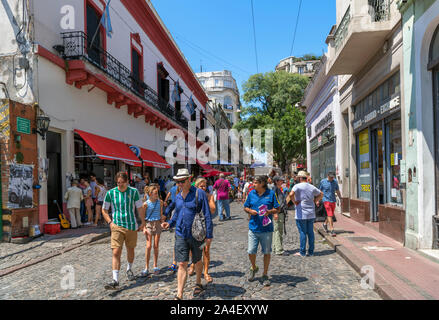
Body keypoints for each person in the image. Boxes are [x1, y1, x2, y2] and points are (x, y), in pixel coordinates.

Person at [161, 169, 214, 300]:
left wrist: (209, 235)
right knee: (182, 263)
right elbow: (177, 214)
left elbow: (207, 215)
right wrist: (170, 223)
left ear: (189, 180)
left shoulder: (199, 193)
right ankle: (179, 294)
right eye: (177, 182)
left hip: (197, 234)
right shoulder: (178, 196)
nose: (179, 184)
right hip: (181, 234)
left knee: (197, 260)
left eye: (182, 181)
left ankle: (198, 283)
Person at [102, 172, 146, 290]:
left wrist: (143, 222)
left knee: (130, 250)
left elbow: (140, 208)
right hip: (117, 226)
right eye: (118, 182)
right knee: (116, 252)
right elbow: (104, 210)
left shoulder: (133, 192)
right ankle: (115, 279)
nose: (120, 185)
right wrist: (110, 223)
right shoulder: (111, 193)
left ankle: (129, 268)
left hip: (131, 225)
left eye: (122, 182)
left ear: (127, 182)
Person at [244, 175, 279, 286]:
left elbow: (277, 208)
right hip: (253, 228)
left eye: (255, 183)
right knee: (251, 251)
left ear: (262, 184)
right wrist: (250, 211)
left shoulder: (271, 194)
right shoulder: (251, 194)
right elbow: (245, 207)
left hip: (267, 229)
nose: (253, 184)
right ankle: (254, 267)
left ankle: (264, 274)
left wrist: (269, 211)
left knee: (266, 252)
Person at [289, 171, 324, 257]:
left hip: (301, 213)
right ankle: (311, 252)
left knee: (302, 232)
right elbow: (321, 194)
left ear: (300, 178)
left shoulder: (297, 186)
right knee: (310, 232)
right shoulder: (311, 186)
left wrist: (294, 202)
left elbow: (291, 194)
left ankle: (302, 252)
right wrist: (315, 201)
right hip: (311, 213)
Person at [140, 185, 166, 277]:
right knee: (148, 246)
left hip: (157, 224)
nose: (157, 195)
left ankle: (155, 265)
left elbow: (161, 214)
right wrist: (143, 227)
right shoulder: (145, 204)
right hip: (149, 224)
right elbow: (142, 217)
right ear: (150, 194)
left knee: (155, 246)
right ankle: (146, 267)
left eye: (157, 193)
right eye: (155, 193)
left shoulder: (160, 202)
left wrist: (163, 222)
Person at [194, 178, 216, 283]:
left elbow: (212, 210)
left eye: (205, 186)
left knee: (205, 250)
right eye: (201, 186)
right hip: (195, 227)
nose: (203, 188)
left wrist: (207, 200)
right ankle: (194, 265)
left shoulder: (209, 196)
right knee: (194, 249)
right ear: (197, 187)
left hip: (206, 226)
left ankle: (206, 272)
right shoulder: (193, 196)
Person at [319, 172, 342, 237]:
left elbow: (337, 190)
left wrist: (340, 198)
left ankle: (325, 224)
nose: (332, 178)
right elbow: (320, 191)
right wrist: (318, 199)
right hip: (326, 200)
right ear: (327, 176)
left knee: (330, 214)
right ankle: (332, 229)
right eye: (331, 177)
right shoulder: (323, 181)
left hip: (333, 200)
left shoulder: (335, 182)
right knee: (330, 214)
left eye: (333, 177)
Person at [272, 176, 288, 256]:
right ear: (277, 181)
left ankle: (275, 248)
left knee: (276, 231)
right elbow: (273, 201)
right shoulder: (275, 189)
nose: (282, 182)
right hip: (278, 212)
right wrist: (275, 213)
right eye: (281, 181)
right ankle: (279, 250)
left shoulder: (277, 189)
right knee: (278, 231)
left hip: (279, 212)